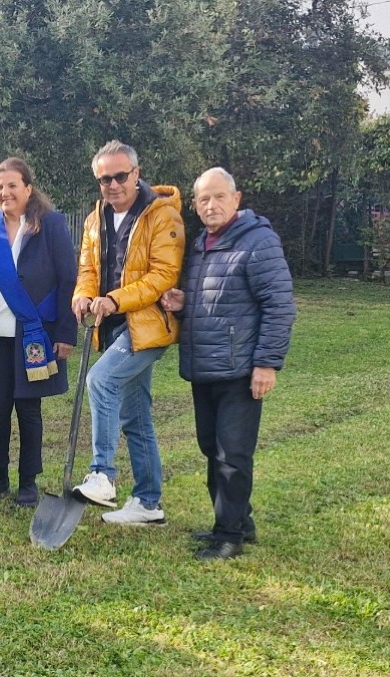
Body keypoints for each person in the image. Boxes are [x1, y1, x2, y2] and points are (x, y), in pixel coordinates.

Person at [161, 168, 296, 560]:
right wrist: (184, 304)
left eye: (219, 196)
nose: (211, 205)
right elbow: (219, 299)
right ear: (195, 205)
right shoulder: (201, 244)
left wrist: (266, 364)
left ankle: (228, 536)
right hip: (205, 367)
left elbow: (279, 305)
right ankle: (240, 521)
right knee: (211, 447)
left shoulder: (257, 241)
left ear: (236, 199)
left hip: (240, 370)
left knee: (232, 455)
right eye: (204, 199)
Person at [70, 140, 184, 525]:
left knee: (100, 380)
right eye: (105, 179)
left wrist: (114, 300)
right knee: (135, 418)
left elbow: (164, 275)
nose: (113, 185)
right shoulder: (95, 219)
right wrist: (84, 295)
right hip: (115, 326)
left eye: (120, 176)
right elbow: (87, 268)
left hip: (148, 326)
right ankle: (148, 504)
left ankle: (102, 475)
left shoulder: (162, 215)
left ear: (136, 173)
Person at [0, 158, 78, 507]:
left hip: (33, 336)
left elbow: (68, 279)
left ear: (28, 188)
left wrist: (66, 332)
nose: (5, 192)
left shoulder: (50, 224)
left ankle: (28, 481)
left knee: (28, 409)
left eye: (12, 185)